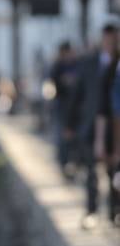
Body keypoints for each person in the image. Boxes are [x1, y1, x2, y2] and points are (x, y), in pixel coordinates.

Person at [66, 24, 120, 228]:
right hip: (92, 126)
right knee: (92, 172)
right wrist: (70, 123)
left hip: (114, 129)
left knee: (113, 171)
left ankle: (114, 211)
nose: (111, 43)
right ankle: (92, 210)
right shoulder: (88, 64)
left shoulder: (116, 65)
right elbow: (77, 95)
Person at [48, 41, 78, 175]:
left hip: (75, 106)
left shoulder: (76, 64)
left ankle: (73, 163)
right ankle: (63, 162)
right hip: (61, 106)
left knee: (73, 137)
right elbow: (52, 83)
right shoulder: (57, 66)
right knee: (61, 136)